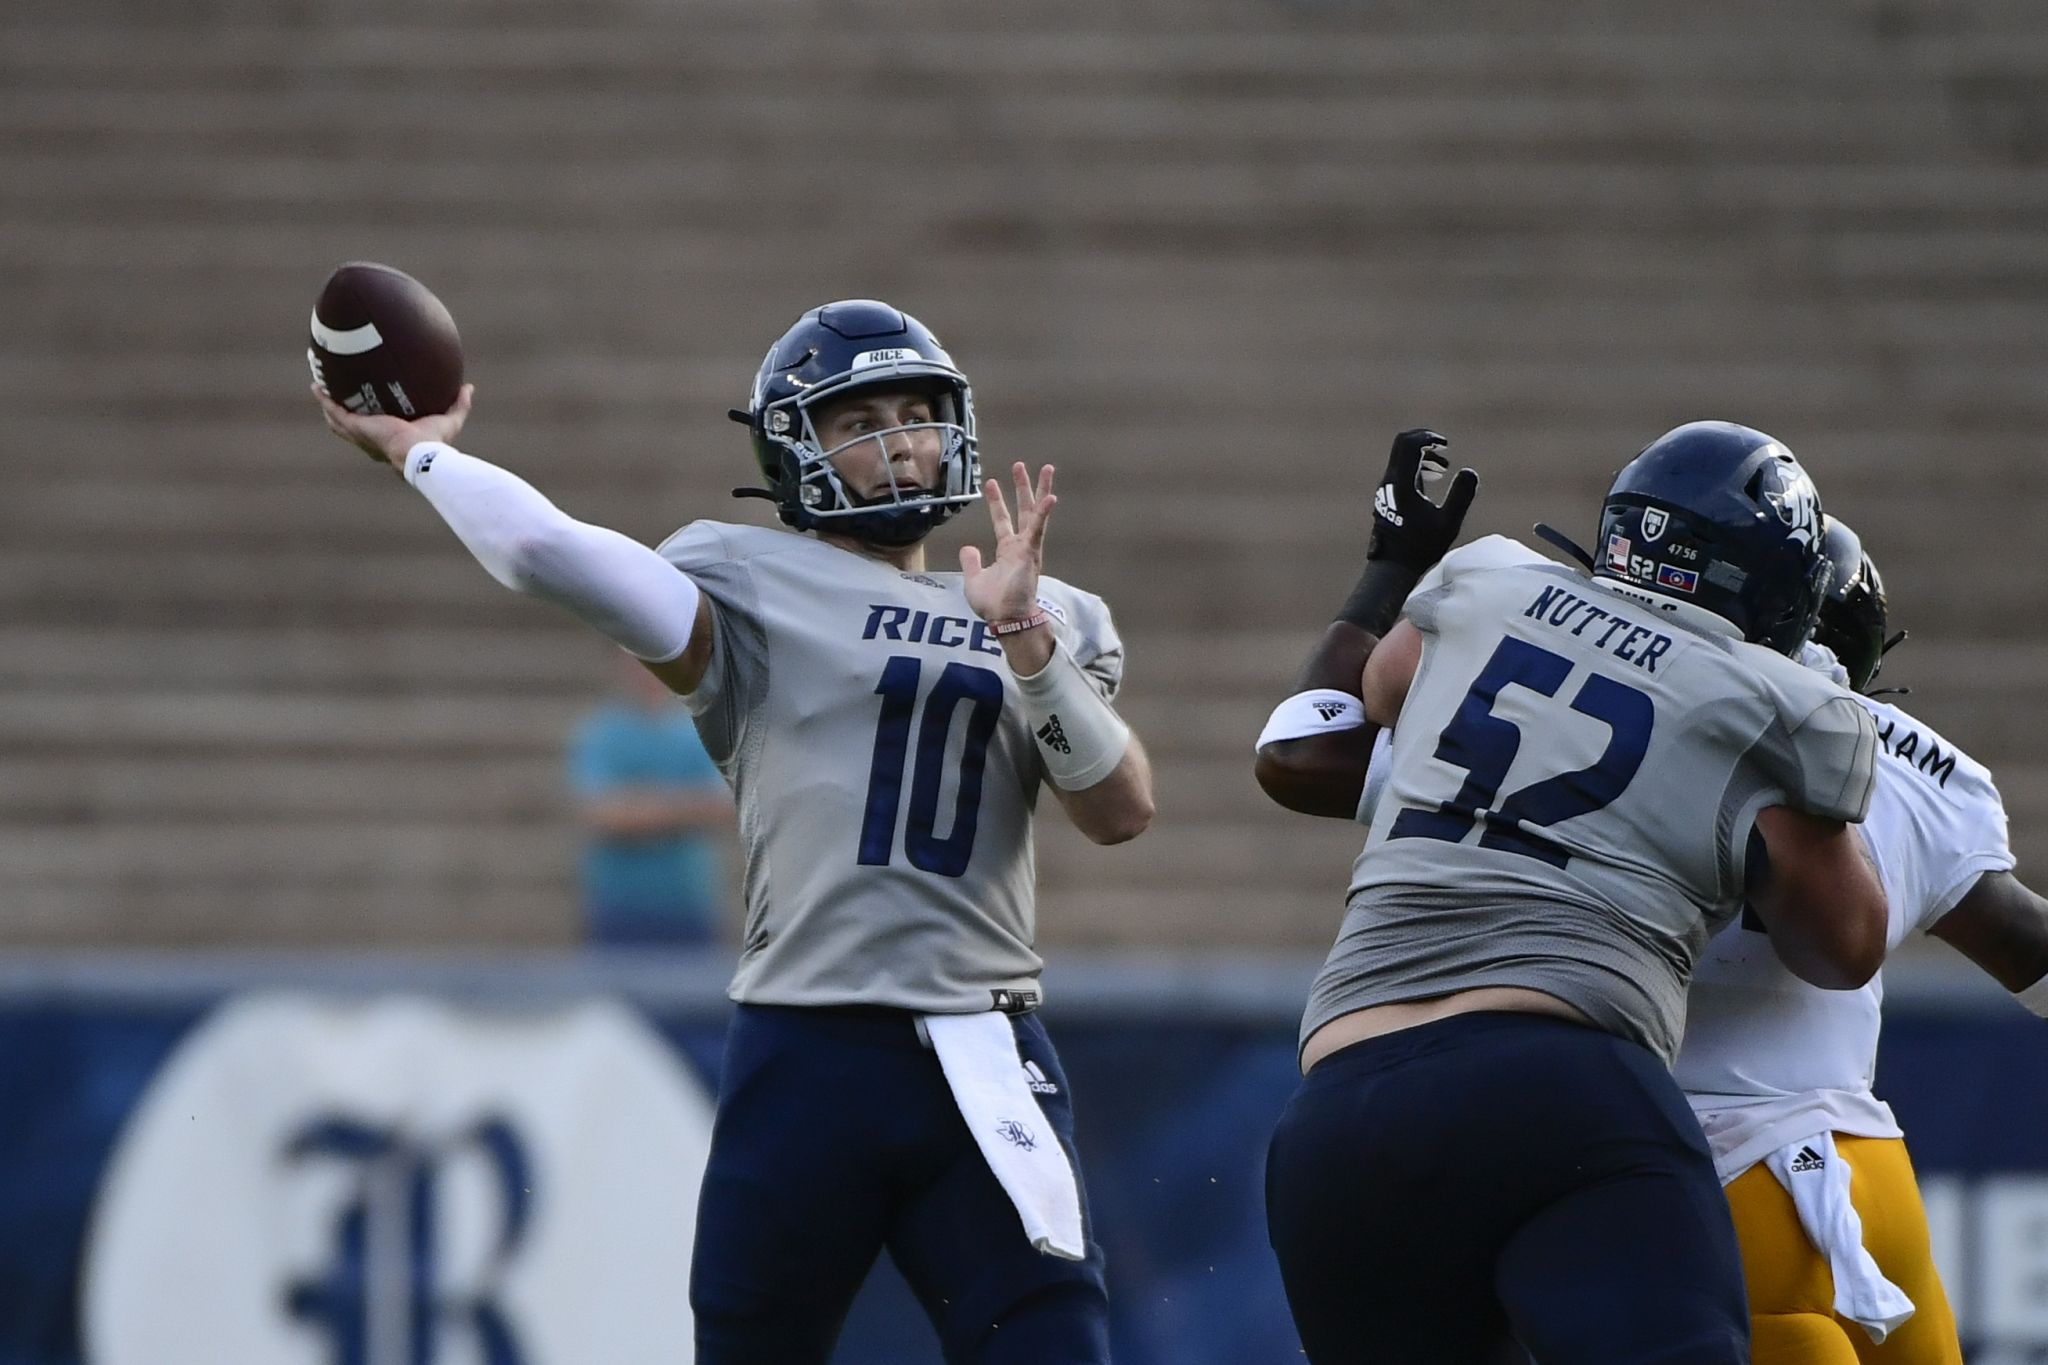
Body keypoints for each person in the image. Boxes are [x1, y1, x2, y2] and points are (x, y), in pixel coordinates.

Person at [315, 298, 1154, 1365]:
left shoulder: (1047, 610)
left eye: (915, 412)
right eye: (861, 420)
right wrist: (425, 459)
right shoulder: (744, 580)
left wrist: (1024, 641)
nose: (900, 439)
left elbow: (1121, 811)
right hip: (805, 1048)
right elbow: (542, 549)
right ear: (795, 449)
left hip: (981, 1046)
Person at [1255, 421, 1891, 1363]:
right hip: (1559, 1088)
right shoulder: (1769, 701)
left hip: (1338, 1117)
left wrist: (1393, 566)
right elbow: (1847, 942)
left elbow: (1372, 696)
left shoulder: (1490, 584)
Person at [1675, 518, 2048, 1364]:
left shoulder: (1634, 705)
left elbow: (1318, 748)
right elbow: (2030, 946)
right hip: (1872, 1172)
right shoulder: (1919, 766)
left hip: (1718, 1183)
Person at [569, 652, 734, 947]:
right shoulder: (602, 734)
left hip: (688, 905)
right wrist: (685, 807)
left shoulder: (698, 731)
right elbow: (604, 815)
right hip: (620, 907)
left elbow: (722, 807)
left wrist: (642, 803)